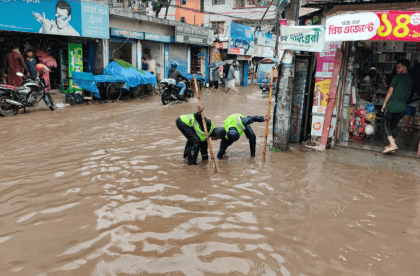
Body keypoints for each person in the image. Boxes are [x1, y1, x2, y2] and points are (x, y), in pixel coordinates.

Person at [382, 59, 413, 153]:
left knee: (385, 124)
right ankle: (392, 147)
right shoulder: (411, 80)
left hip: (393, 105)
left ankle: (393, 144)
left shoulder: (396, 77)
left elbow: (390, 91)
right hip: (402, 108)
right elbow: (409, 94)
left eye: (398, 67)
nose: (397, 69)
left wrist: (384, 103)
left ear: (405, 67)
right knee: (394, 125)